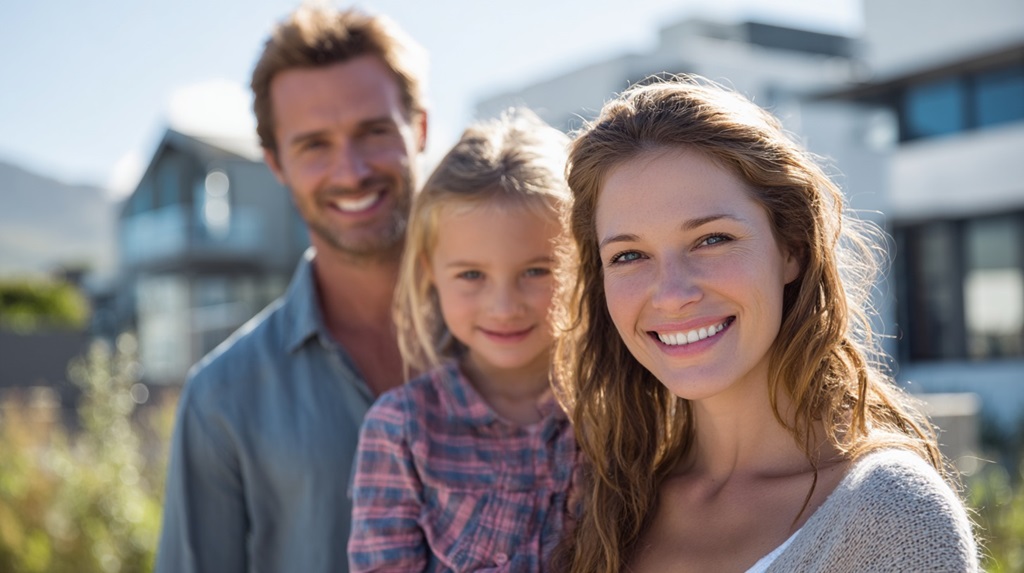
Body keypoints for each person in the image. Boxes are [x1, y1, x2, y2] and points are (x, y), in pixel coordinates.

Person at [549, 75, 979, 573]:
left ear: (791, 248)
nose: (672, 293)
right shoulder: (604, 505)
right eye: (628, 255)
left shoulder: (890, 516)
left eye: (712, 239)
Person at [155, 5, 428, 573]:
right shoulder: (223, 398)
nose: (350, 171)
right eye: (314, 145)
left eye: (373, 131)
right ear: (276, 162)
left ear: (419, 129)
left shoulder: (526, 336)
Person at [347, 109, 577, 572]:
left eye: (536, 271)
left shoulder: (623, 416)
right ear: (431, 272)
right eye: (472, 275)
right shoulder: (401, 431)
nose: (504, 306)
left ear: (579, 263)